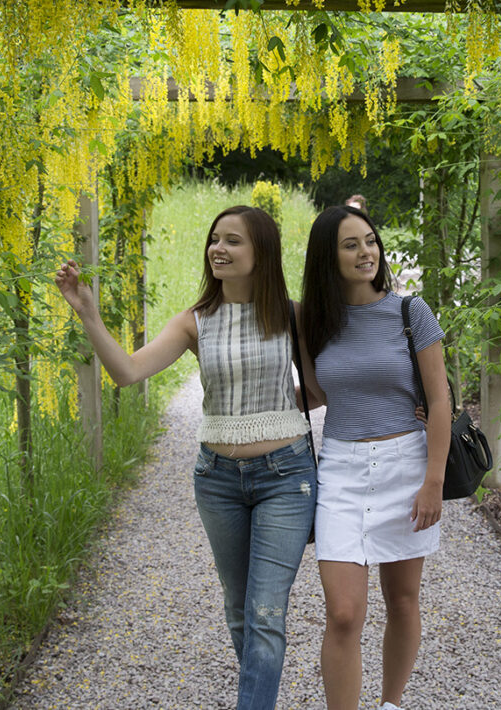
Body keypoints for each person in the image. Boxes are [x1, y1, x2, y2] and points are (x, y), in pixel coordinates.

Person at [55, 206, 316, 710]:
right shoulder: (196, 322)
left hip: (286, 475)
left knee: (265, 613)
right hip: (217, 480)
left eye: (233, 241)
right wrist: (88, 311)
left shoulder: (292, 315)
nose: (219, 248)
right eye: (215, 239)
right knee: (241, 612)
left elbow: (323, 388)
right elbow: (128, 372)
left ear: (262, 252)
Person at [297, 205, 451, 710]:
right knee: (343, 612)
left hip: (406, 464)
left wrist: (433, 480)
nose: (366, 253)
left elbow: (441, 399)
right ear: (327, 256)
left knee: (403, 600)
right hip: (340, 469)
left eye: (370, 241)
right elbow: (317, 394)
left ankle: (390, 704)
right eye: (350, 245)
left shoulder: (412, 313)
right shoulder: (313, 321)